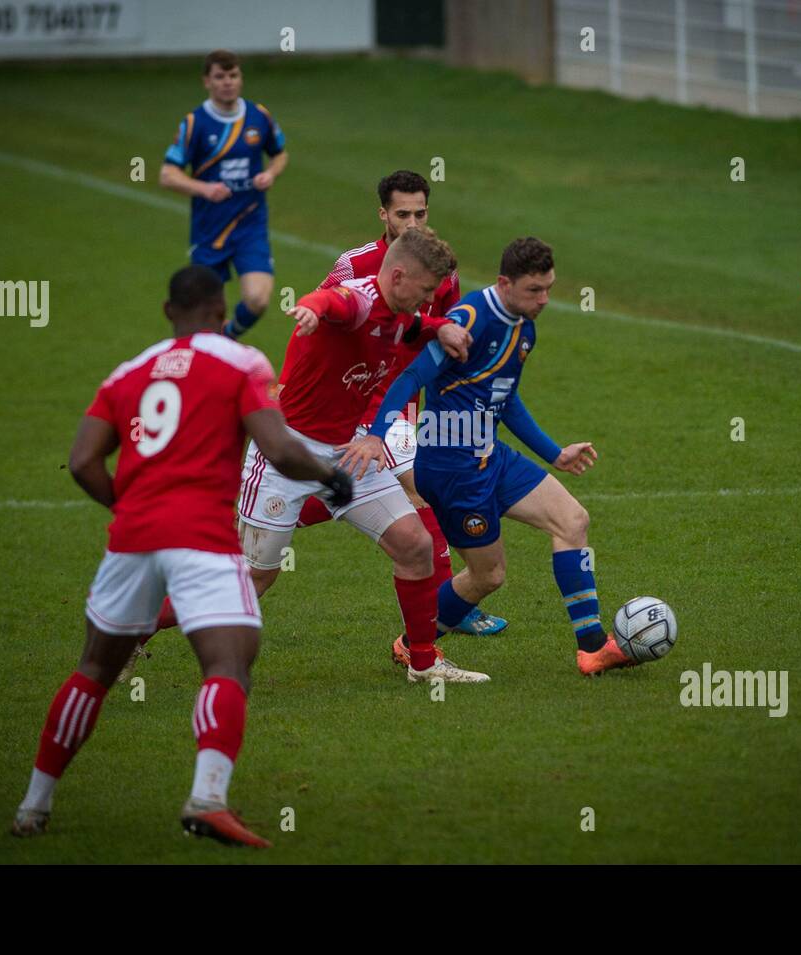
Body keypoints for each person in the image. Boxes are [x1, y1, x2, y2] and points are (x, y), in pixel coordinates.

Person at [11, 265, 351, 848]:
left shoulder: (128, 372)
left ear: (168, 312)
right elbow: (277, 446)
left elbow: (82, 462)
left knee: (94, 670)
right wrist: (328, 475)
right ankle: (207, 799)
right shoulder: (241, 362)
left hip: (133, 537)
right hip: (200, 538)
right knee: (227, 665)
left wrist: (128, 505)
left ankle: (33, 805)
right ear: (222, 313)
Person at [341, 238, 634, 676]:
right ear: (504, 283)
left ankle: (592, 648)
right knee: (488, 576)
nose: (544, 299)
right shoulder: (470, 319)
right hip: (451, 469)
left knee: (573, 520)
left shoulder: (524, 329)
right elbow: (410, 377)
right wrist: (377, 436)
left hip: (490, 456)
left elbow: (506, 399)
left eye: (549, 288)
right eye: (535, 290)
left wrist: (555, 453)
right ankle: (412, 643)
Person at [231, 227, 488, 683]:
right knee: (253, 581)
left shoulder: (399, 310)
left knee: (415, 545)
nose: (430, 299)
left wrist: (440, 325)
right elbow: (336, 303)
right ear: (400, 275)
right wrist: (310, 309)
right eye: (426, 290)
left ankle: (423, 664)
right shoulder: (361, 300)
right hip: (285, 454)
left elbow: (412, 326)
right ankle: (137, 632)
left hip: (347, 451)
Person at [298, 169, 509, 645]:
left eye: (420, 213)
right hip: (360, 406)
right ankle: (447, 609)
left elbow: (440, 327)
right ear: (383, 215)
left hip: (405, 401)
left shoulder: (440, 267)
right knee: (419, 491)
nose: (412, 223)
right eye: (402, 214)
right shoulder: (355, 264)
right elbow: (324, 321)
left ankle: (285, 509)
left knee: (396, 492)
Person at [159, 49, 286, 339]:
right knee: (202, 314)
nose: (227, 82)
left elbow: (280, 154)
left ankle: (227, 338)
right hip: (209, 230)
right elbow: (167, 175)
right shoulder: (195, 124)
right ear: (207, 81)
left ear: (240, 78)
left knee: (258, 299)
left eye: (233, 75)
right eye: (220, 76)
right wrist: (203, 188)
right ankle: (208, 352)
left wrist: (271, 173)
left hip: (250, 226)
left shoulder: (259, 116)